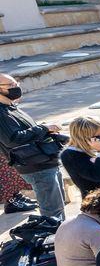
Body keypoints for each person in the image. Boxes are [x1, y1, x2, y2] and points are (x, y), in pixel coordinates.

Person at [0, 74, 67, 218]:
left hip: (45, 161)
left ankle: (60, 237)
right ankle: (52, 239)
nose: (16, 87)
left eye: (15, 83)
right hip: (35, 166)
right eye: (10, 85)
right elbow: (13, 139)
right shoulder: (1, 113)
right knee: (52, 212)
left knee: (58, 207)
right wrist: (43, 128)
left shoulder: (11, 107)